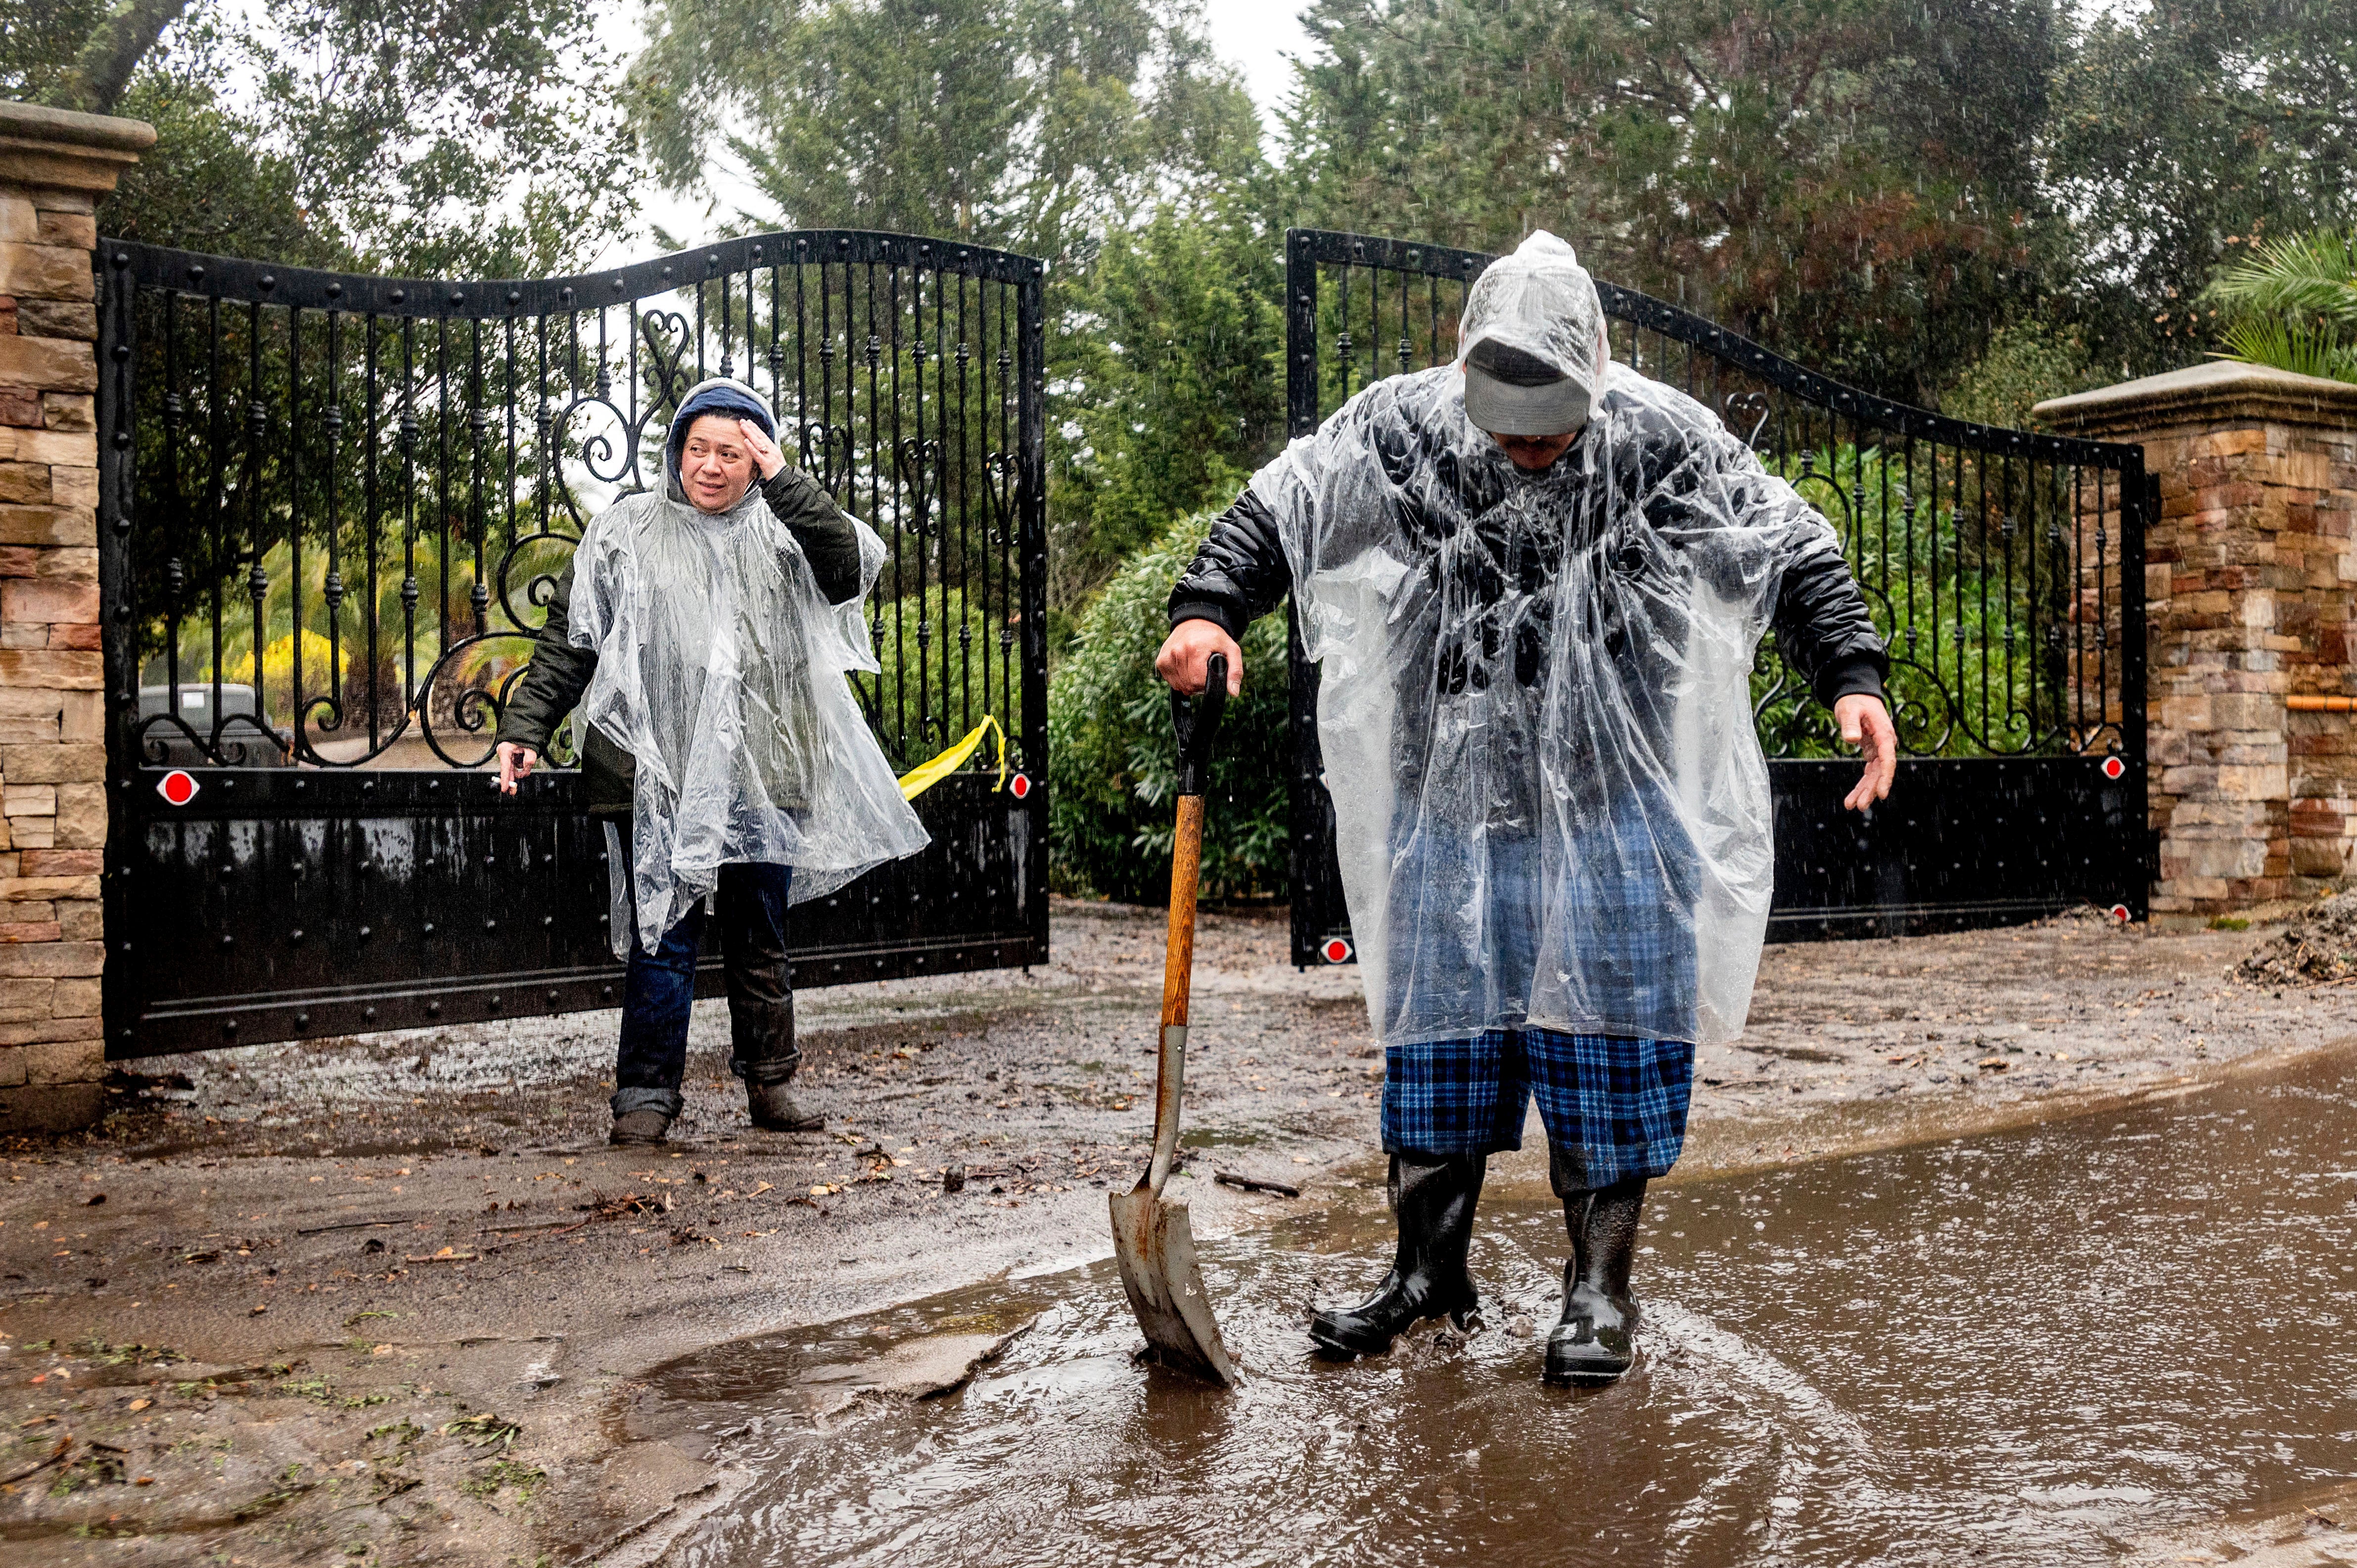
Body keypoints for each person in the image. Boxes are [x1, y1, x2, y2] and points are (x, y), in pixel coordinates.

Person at [1155, 233, 1897, 1384]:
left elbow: (1789, 546)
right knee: (1439, 1043)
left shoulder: (1662, 442)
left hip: (1617, 806)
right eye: (1507, 432)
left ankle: (1598, 1290)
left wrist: (1850, 676)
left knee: (1614, 1045)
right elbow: (1277, 510)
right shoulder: (1398, 433)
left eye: (1550, 432)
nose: (1529, 451)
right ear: (1463, 377)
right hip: (1448, 804)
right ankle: (1426, 1275)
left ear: (1598, 369)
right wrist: (1209, 608)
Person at [495, 378, 928, 1146]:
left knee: (760, 933)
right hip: (653, 778)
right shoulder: (628, 531)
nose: (711, 466)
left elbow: (849, 567)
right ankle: (646, 1098)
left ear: (757, 458)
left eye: (732, 452)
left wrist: (783, 478)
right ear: (677, 451)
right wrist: (525, 725)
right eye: (698, 448)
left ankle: (772, 1085)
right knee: (663, 932)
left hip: (761, 770)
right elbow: (570, 640)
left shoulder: (785, 534)